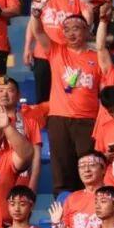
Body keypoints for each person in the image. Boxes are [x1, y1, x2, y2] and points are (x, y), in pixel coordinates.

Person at [27, 10, 101, 193]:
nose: (71, 33)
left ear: (87, 31)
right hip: (59, 118)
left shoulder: (98, 58)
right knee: (61, 169)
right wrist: (35, 16)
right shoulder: (57, 51)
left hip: (88, 121)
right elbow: (38, 32)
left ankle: (88, 203)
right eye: (66, 29)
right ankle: (62, 206)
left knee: (88, 167)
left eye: (76, 28)